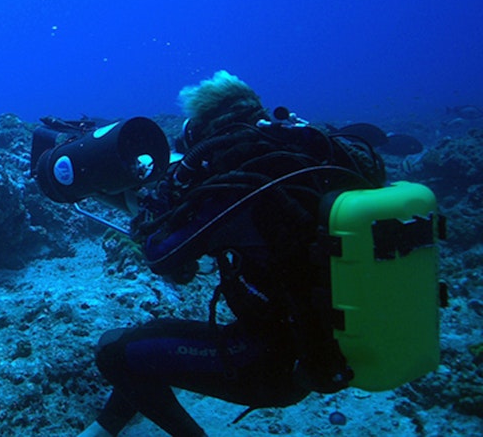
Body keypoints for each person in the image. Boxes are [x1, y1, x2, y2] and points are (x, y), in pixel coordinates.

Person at [77, 71, 387, 437]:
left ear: (206, 130)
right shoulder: (303, 160)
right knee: (148, 337)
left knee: (115, 352)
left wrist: (166, 194)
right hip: (328, 347)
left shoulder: (243, 187)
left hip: (269, 363)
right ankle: (106, 426)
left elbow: (161, 256)